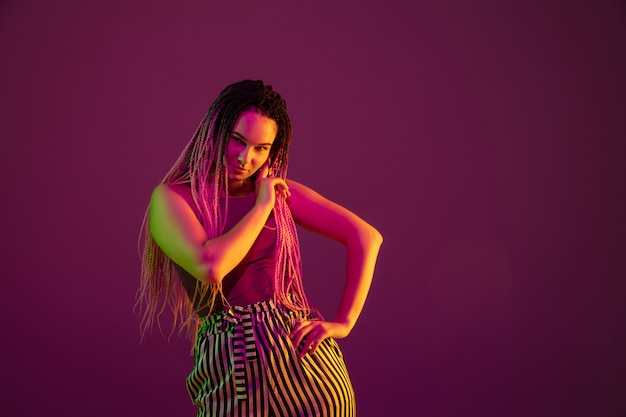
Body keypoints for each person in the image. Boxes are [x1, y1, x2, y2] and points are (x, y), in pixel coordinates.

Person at [137, 80, 382, 417]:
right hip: (230, 358)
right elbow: (211, 267)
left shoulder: (277, 194)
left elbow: (366, 236)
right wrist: (261, 208)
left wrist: (344, 322)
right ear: (215, 131)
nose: (246, 158)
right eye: (237, 141)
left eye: (261, 148)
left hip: (306, 362)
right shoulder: (172, 199)